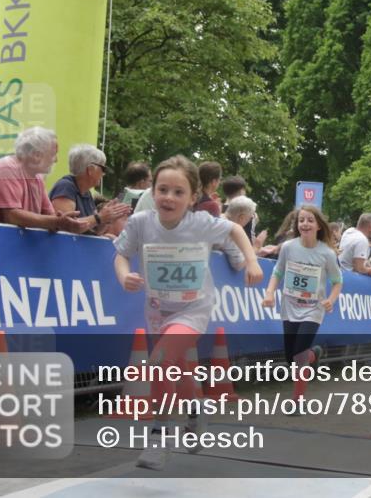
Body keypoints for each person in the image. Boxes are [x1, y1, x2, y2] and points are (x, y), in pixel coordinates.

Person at [113, 155, 263, 471]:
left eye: (178, 192)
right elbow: (121, 256)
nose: (169, 197)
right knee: (178, 370)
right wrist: (124, 275)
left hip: (194, 309)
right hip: (157, 310)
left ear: (193, 198)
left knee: (159, 364)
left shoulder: (201, 223)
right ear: (152, 192)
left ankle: (160, 437)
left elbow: (236, 231)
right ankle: (195, 410)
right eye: (162, 189)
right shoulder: (141, 223)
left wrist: (252, 260)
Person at [262, 205, 343, 406]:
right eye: (301, 220)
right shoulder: (288, 247)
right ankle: (314, 353)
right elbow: (278, 272)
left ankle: (298, 401)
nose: (305, 224)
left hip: (313, 309)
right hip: (289, 306)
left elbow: (337, 281)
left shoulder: (327, 254)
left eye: (309, 220)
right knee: (291, 359)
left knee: (298, 356)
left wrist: (330, 300)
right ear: (297, 225)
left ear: (318, 226)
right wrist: (270, 292)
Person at [0, 127, 90, 233]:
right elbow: (12, 217)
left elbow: (50, 215)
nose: (56, 160)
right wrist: (57, 222)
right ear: (36, 155)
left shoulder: (37, 178)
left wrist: (60, 221)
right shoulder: (6, 168)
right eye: (54, 154)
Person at [49, 144, 131, 236]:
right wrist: (99, 217)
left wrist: (106, 219)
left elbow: (94, 231)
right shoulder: (65, 186)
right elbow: (66, 226)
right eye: (103, 169)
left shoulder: (86, 192)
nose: (104, 174)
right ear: (90, 170)